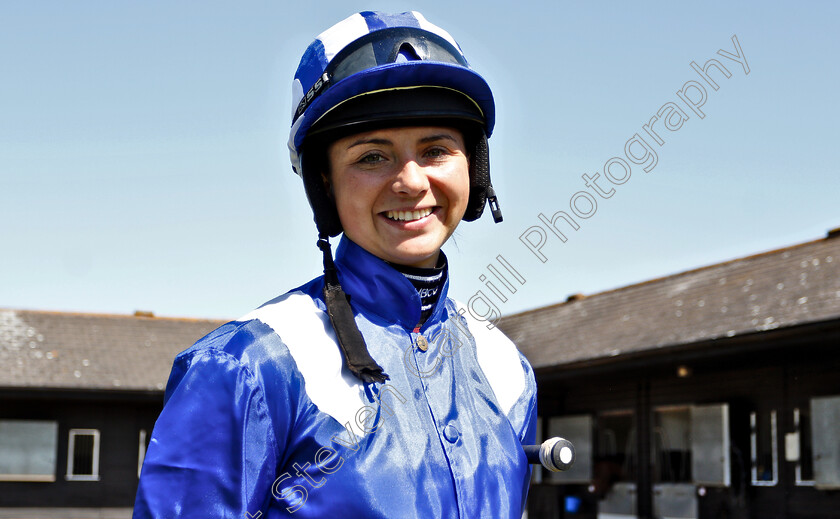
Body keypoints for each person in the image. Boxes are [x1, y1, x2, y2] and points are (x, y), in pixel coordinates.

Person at [134, 11, 536, 518]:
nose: (411, 182)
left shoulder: (508, 371)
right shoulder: (246, 368)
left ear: (473, 169)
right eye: (372, 156)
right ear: (324, 183)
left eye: (436, 150)